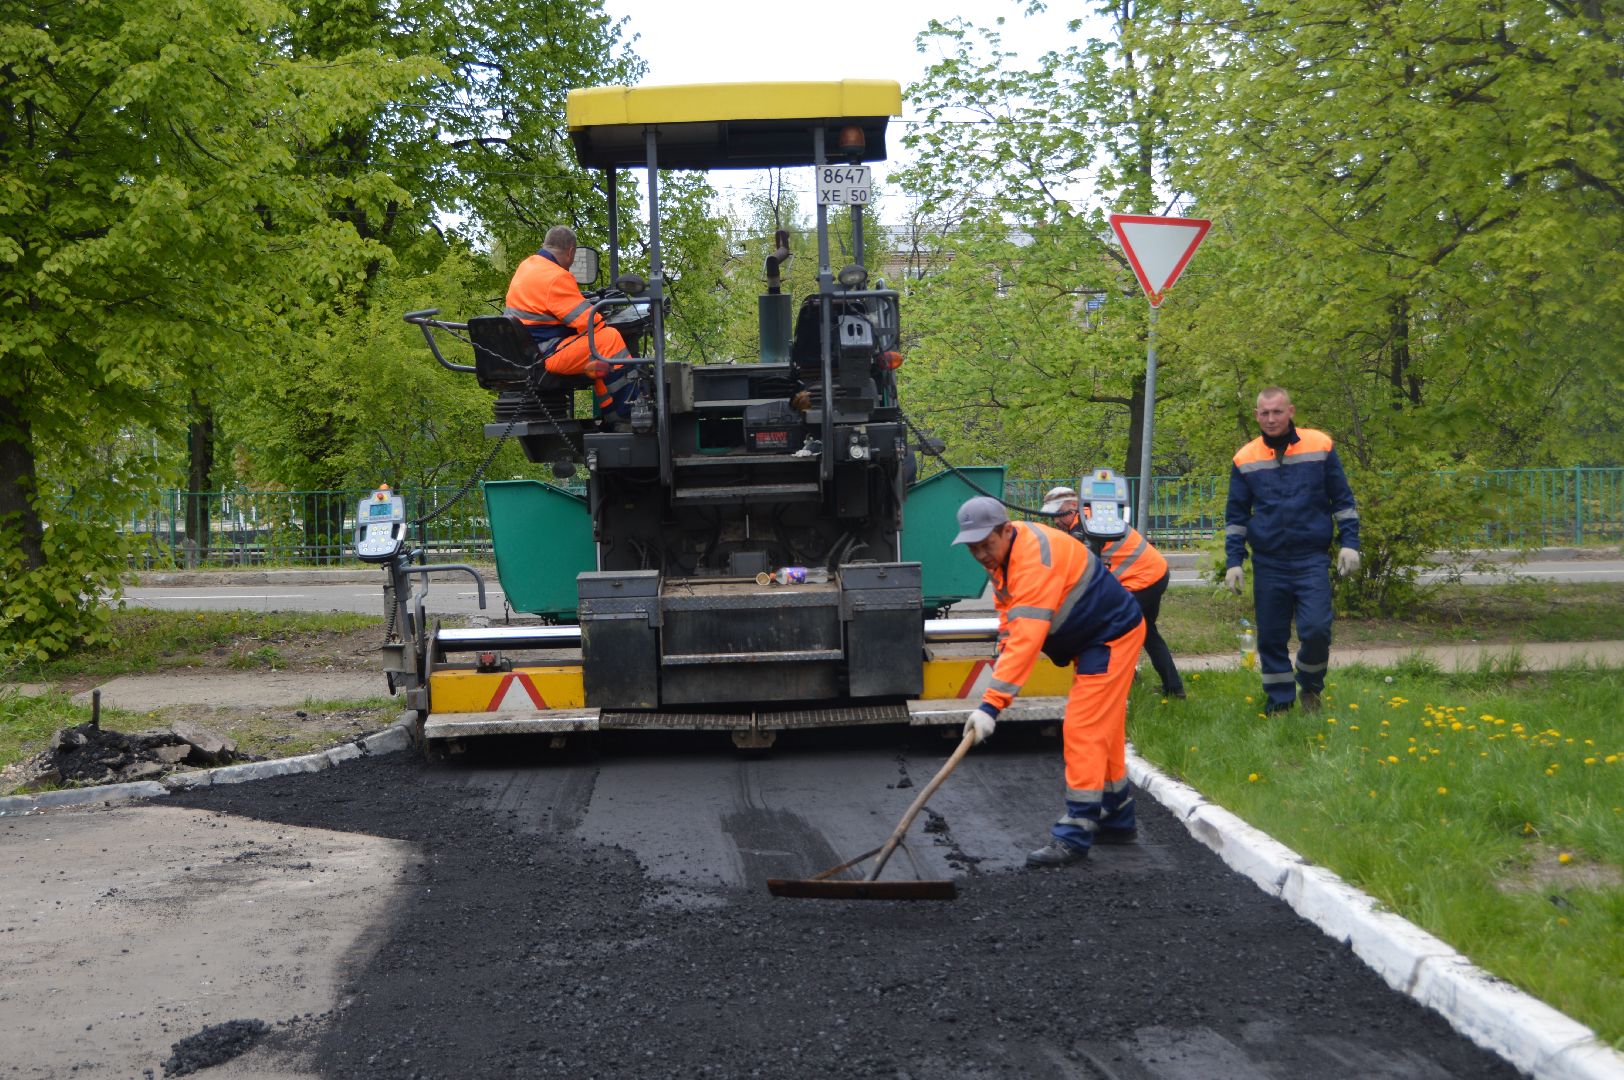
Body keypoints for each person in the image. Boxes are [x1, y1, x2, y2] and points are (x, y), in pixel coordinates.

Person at [953, 495, 1147, 867]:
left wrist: (991, 704)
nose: (980, 554)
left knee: (1083, 728)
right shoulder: (1005, 556)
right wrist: (1001, 655)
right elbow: (1011, 621)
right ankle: (1117, 815)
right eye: (973, 548)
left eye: (986, 545)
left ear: (1006, 531)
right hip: (1092, 636)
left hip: (1110, 636)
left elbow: (1027, 639)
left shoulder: (1033, 561)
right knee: (1102, 729)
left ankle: (1075, 832)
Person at [1223, 387, 1361, 714]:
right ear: (1257, 416)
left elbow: (1342, 500)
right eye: (1264, 413)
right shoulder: (1245, 458)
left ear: (1290, 412)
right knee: (1271, 637)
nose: (1271, 419)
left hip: (1311, 558)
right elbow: (1237, 516)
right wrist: (1234, 561)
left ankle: (1311, 688)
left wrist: (1350, 543)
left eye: (1277, 412)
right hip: (1269, 562)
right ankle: (1280, 704)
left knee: (1315, 630)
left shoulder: (1321, 446)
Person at [1041, 485, 1185, 700]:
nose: (1056, 521)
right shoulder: (1090, 517)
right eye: (1052, 516)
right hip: (1155, 574)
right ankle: (1173, 689)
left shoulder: (1084, 527)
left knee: (1112, 629)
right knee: (1147, 633)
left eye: (1058, 514)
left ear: (1073, 506)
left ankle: (1123, 683)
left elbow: (1082, 572)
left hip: (1142, 581)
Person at [505, 225, 638, 419]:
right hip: (546, 355)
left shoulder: (527, 266)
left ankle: (611, 415)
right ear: (571, 252)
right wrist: (600, 316)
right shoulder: (556, 276)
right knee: (608, 339)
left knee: (597, 354)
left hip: (526, 352)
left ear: (546, 245)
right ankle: (629, 412)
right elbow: (590, 323)